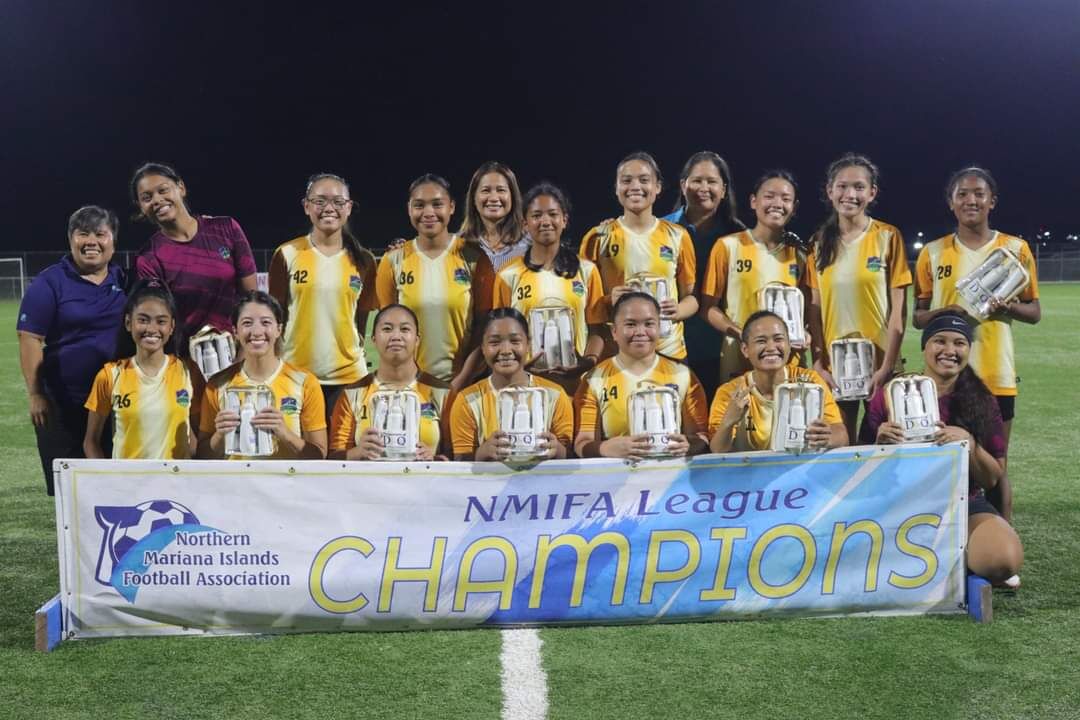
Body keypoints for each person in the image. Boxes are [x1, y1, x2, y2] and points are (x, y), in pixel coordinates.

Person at [913, 168, 1040, 520]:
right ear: (951, 203)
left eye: (979, 194)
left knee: (996, 466)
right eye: (963, 194)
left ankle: (1002, 538)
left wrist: (1009, 306)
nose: (972, 200)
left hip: (996, 372)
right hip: (945, 375)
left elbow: (1035, 311)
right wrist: (946, 310)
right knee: (940, 459)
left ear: (992, 201)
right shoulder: (933, 252)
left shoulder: (1015, 248)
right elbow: (918, 317)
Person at [860, 313, 1023, 585]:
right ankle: (948, 561)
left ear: (969, 350)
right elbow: (856, 466)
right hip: (896, 503)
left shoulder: (982, 400)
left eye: (960, 343)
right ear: (924, 347)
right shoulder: (890, 394)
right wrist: (879, 444)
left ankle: (961, 557)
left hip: (961, 503)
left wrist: (969, 444)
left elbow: (994, 477)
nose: (950, 350)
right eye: (939, 341)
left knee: (1002, 560)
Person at [17, 206, 127, 494]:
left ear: (113, 240)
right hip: (64, 404)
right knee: (69, 489)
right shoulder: (50, 282)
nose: (91, 241)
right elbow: (29, 338)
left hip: (117, 404)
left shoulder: (125, 280)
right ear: (70, 239)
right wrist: (36, 393)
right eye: (83, 234)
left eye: (100, 234)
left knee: (117, 488)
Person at [806, 153, 911, 441]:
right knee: (839, 445)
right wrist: (817, 363)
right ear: (830, 191)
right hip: (834, 369)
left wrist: (887, 366)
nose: (849, 194)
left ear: (872, 192)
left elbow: (898, 313)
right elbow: (814, 311)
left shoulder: (888, 237)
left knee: (886, 446)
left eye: (859, 187)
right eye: (841, 186)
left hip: (881, 365)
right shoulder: (817, 243)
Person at [268, 173, 378, 421]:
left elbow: (362, 318)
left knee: (346, 455)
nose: (329, 208)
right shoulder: (287, 254)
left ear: (349, 208)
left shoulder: (365, 261)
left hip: (350, 377)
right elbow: (276, 315)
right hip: (297, 376)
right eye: (320, 201)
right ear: (306, 206)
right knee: (303, 455)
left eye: (338, 202)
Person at [376, 174, 495, 390]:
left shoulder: (474, 258)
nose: (428, 213)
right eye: (419, 205)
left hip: (463, 385)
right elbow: (387, 332)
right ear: (409, 208)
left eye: (437, 204)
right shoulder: (392, 261)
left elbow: (484, 328)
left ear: (451, 207)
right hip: (408, 386)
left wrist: (462, 379)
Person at [580, 151, 698, 360]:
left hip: (669, 352)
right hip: (619, 354)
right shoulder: (598, 237)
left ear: (658, 187)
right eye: (626, 181)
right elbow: (584, 303)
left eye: (644, 180)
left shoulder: (678, 236)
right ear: (616, 188)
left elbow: (692, 297)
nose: (635, 187)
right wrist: (609, 300)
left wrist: (679, 309)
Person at [131, 162, 257, 354]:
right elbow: (159, 321)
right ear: (141, 207)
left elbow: (251, 297)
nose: (157, 200)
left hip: (238, 355)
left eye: (163, 190)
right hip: (184, 361)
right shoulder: (148, 258)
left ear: (181, 187)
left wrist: (244, 350)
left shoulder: (227, 229)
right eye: (147, 198)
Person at [700, 170, 809, 386]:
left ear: (794, 208)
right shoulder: (728, 246)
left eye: (785, 199)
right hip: (738, 357)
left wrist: (805, 334)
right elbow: (708, 308)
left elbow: (806, 312)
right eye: (769, 196)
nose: (777, 203)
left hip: (787, 359)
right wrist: (741, 334)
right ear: (753, 201)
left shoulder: (801, 255)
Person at [494, 183, 605, 394]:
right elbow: (499, 335)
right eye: (536, 215)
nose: (545, 221)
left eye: (553, 214)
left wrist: (587, 362)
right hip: (525, 387)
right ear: (525, 224)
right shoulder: (507, 275)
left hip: (577, 387)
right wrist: (519, 365)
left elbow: (597, 330)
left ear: (564, 220)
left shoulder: (587, 271)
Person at [574, 293, 708, 459]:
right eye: (630, 324)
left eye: (649, 324)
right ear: (614, 331)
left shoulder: (683, 375)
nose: (640, 332)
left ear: (659, 328)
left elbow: (702, 437)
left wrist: (689, 445)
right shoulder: (594, 380)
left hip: (672, 479)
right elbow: (581, 444)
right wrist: (605, 448)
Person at [198, 291, 326, 459]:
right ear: (235, 331)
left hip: (286, 484)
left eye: (266, 322)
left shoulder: (304, 382)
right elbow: (202, 456)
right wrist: (219, 436)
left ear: (279, 329)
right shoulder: (217, 385)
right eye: (247, 323)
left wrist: (285, 434)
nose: (257, 332)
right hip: (235, 484)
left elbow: (319, 456)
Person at [84, 282, 202, 459]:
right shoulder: (110, 375)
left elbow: (198, 435)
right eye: (143, 320)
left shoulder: (188, 371)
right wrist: (106, 482)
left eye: (161, 321)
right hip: (128, 484)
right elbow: (91, 442)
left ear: (171, 327)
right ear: (128, 323)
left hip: (175, 483)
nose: (152, 329)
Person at [663, 151, 747, 399]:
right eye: (697, 180)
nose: (704, 188)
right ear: (683, 185)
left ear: (723, 189)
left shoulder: (739, 237)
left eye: (712, 182)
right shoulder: (661, 230)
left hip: (722, 350)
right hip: (669, 348)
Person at [709, 310, 846, 453]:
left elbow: (842, 435)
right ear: (745, 349)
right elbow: (717, 451)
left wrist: (827, 437)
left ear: (788, 345)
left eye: (778, 339)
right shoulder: (731, 392)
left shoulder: (811, 382)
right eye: (761, 341)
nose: (771, 348)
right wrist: (729, 422)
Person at [448, 309, 573, 461]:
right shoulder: (467, 401)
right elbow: (460, 463)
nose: (506, 351)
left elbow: (570, 457)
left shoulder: (555, 395)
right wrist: (482, 453)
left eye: (515, 341)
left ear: (528, 344)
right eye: (494, 342)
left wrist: (557, 450)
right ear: (483, 348)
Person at [328, 304, 449, 461]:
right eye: (387, 329)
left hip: (425, 484)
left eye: (405, 329)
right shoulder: (352, 394)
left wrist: (434, 459)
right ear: (374, 339)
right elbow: (333, 459)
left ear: (417, 339)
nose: (396, 336)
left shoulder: (443, 393)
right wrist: (356, 453)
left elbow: (460, 456)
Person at [458, 161, 530, 271]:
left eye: (501, 190)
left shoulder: (531, 243)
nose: (494, 198)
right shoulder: (457, 245)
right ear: (474, 198)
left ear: (512, 196)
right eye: (486, 190)